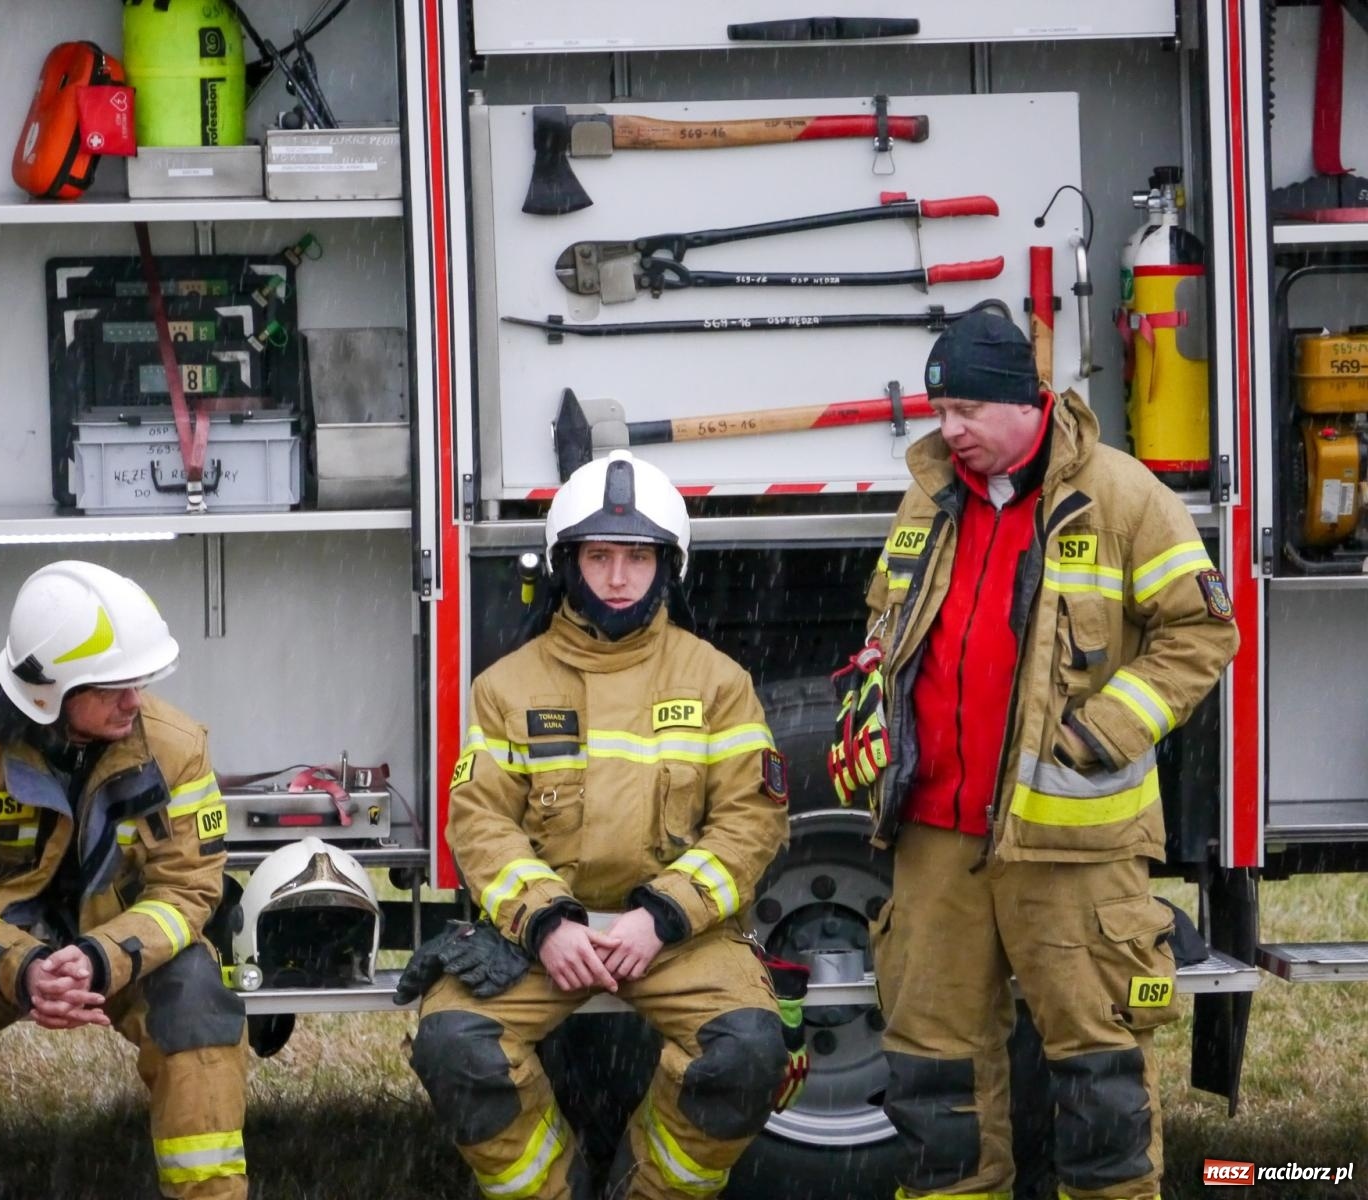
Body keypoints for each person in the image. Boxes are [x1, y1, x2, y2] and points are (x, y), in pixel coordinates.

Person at [856, 309, 1239, 1200]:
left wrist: (1098, 733)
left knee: (1100, 1081)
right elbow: (891, 626)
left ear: (1025, 404)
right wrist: (866, 703)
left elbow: (1201, 631)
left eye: (964, 410)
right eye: (937, 406)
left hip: (1073, 847)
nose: (946, 429)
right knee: (934, 1084)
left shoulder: (1120, 497)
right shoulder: (930, 495)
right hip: (935, 837)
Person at [399, 449, 793, 1200]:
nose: (618, 578)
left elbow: (750, 821)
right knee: (455, 1049)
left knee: (744, 1056)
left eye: (638, 557)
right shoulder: (507, 687)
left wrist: (663, 917)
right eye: (599, 556)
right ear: (566, 563)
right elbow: (481, 823)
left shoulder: (717, 680)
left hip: (679, 939)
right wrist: (546, 923)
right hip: (546, 940)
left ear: (668, 565)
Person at [0, 561, 247, 1200]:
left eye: (140, 681)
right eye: (112, 687)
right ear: (48, 693)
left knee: (198, 1006)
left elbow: (189, 890)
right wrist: (23, 966)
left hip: (126, 950)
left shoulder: (177, 746)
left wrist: (101, 958)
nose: (135, 701)